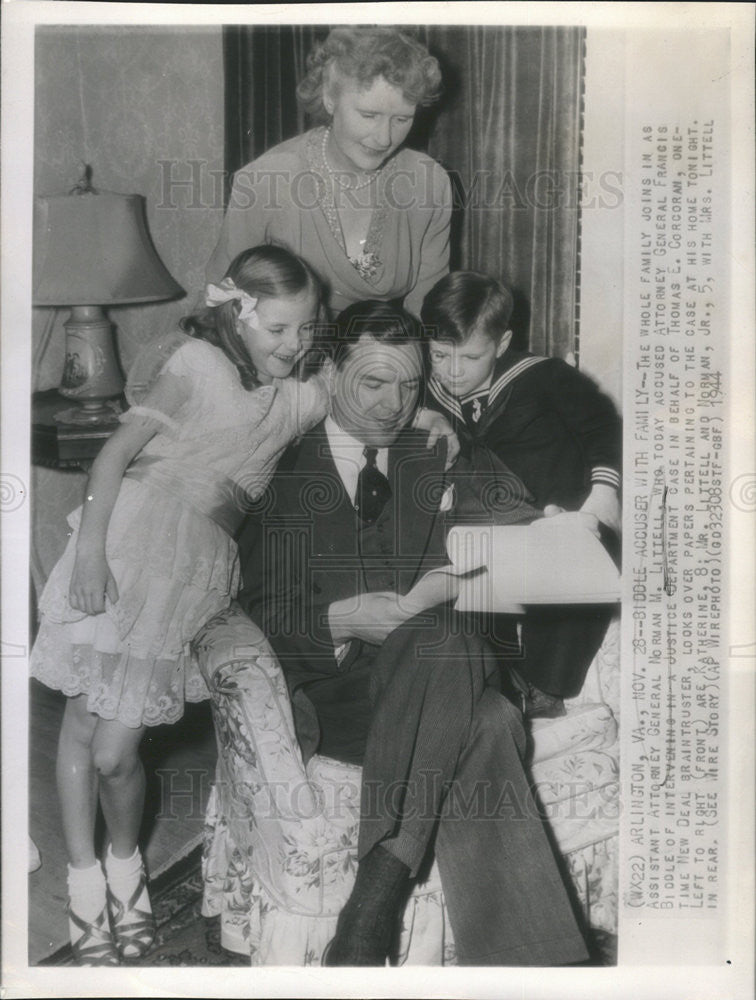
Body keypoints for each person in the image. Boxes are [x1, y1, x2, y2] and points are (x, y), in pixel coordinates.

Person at [224, 300, 589, 966]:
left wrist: (533, 543)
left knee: (442, 637)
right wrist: (342, 620)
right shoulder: (276, 469)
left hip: (446, 660)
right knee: (488, 720)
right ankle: (538, 968)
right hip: (346, 698)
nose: (395, 404)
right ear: (330, 373)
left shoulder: (437, 445)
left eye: (411, 384)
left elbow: (522, 527)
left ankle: (371, 908)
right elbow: (248, 612)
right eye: (374, 382)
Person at [29, 244, 334, 966]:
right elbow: (111, 457)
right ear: (238, 313)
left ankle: (126, 864)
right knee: (80, 721)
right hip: (123, 541)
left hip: (192, 567)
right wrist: (93, 553)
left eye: (306, 328)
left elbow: (375, 390)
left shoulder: (298, 397)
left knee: (116, 751)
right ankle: (85, 882)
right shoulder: (196, 367)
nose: (294, 344)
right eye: (278, 329)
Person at [421, 269, 622, 713]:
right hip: (488, 530)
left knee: (570, 581)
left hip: (565, 519)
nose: (452, 371)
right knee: (464, 589)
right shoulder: (427, 392)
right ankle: (494, 685)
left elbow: (603, 426)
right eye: (438, 355)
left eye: (470, 358)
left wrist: (603, 492)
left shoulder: (544, 377)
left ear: (502, 342)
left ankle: (546, 689)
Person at [206, 26, 452, 318]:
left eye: (401, 119)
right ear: (329, 98)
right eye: (369, 115)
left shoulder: (429, 183)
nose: (384, 138)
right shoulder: (264, 181)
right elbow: (223, 299)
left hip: (385, 353)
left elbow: (429, 309)